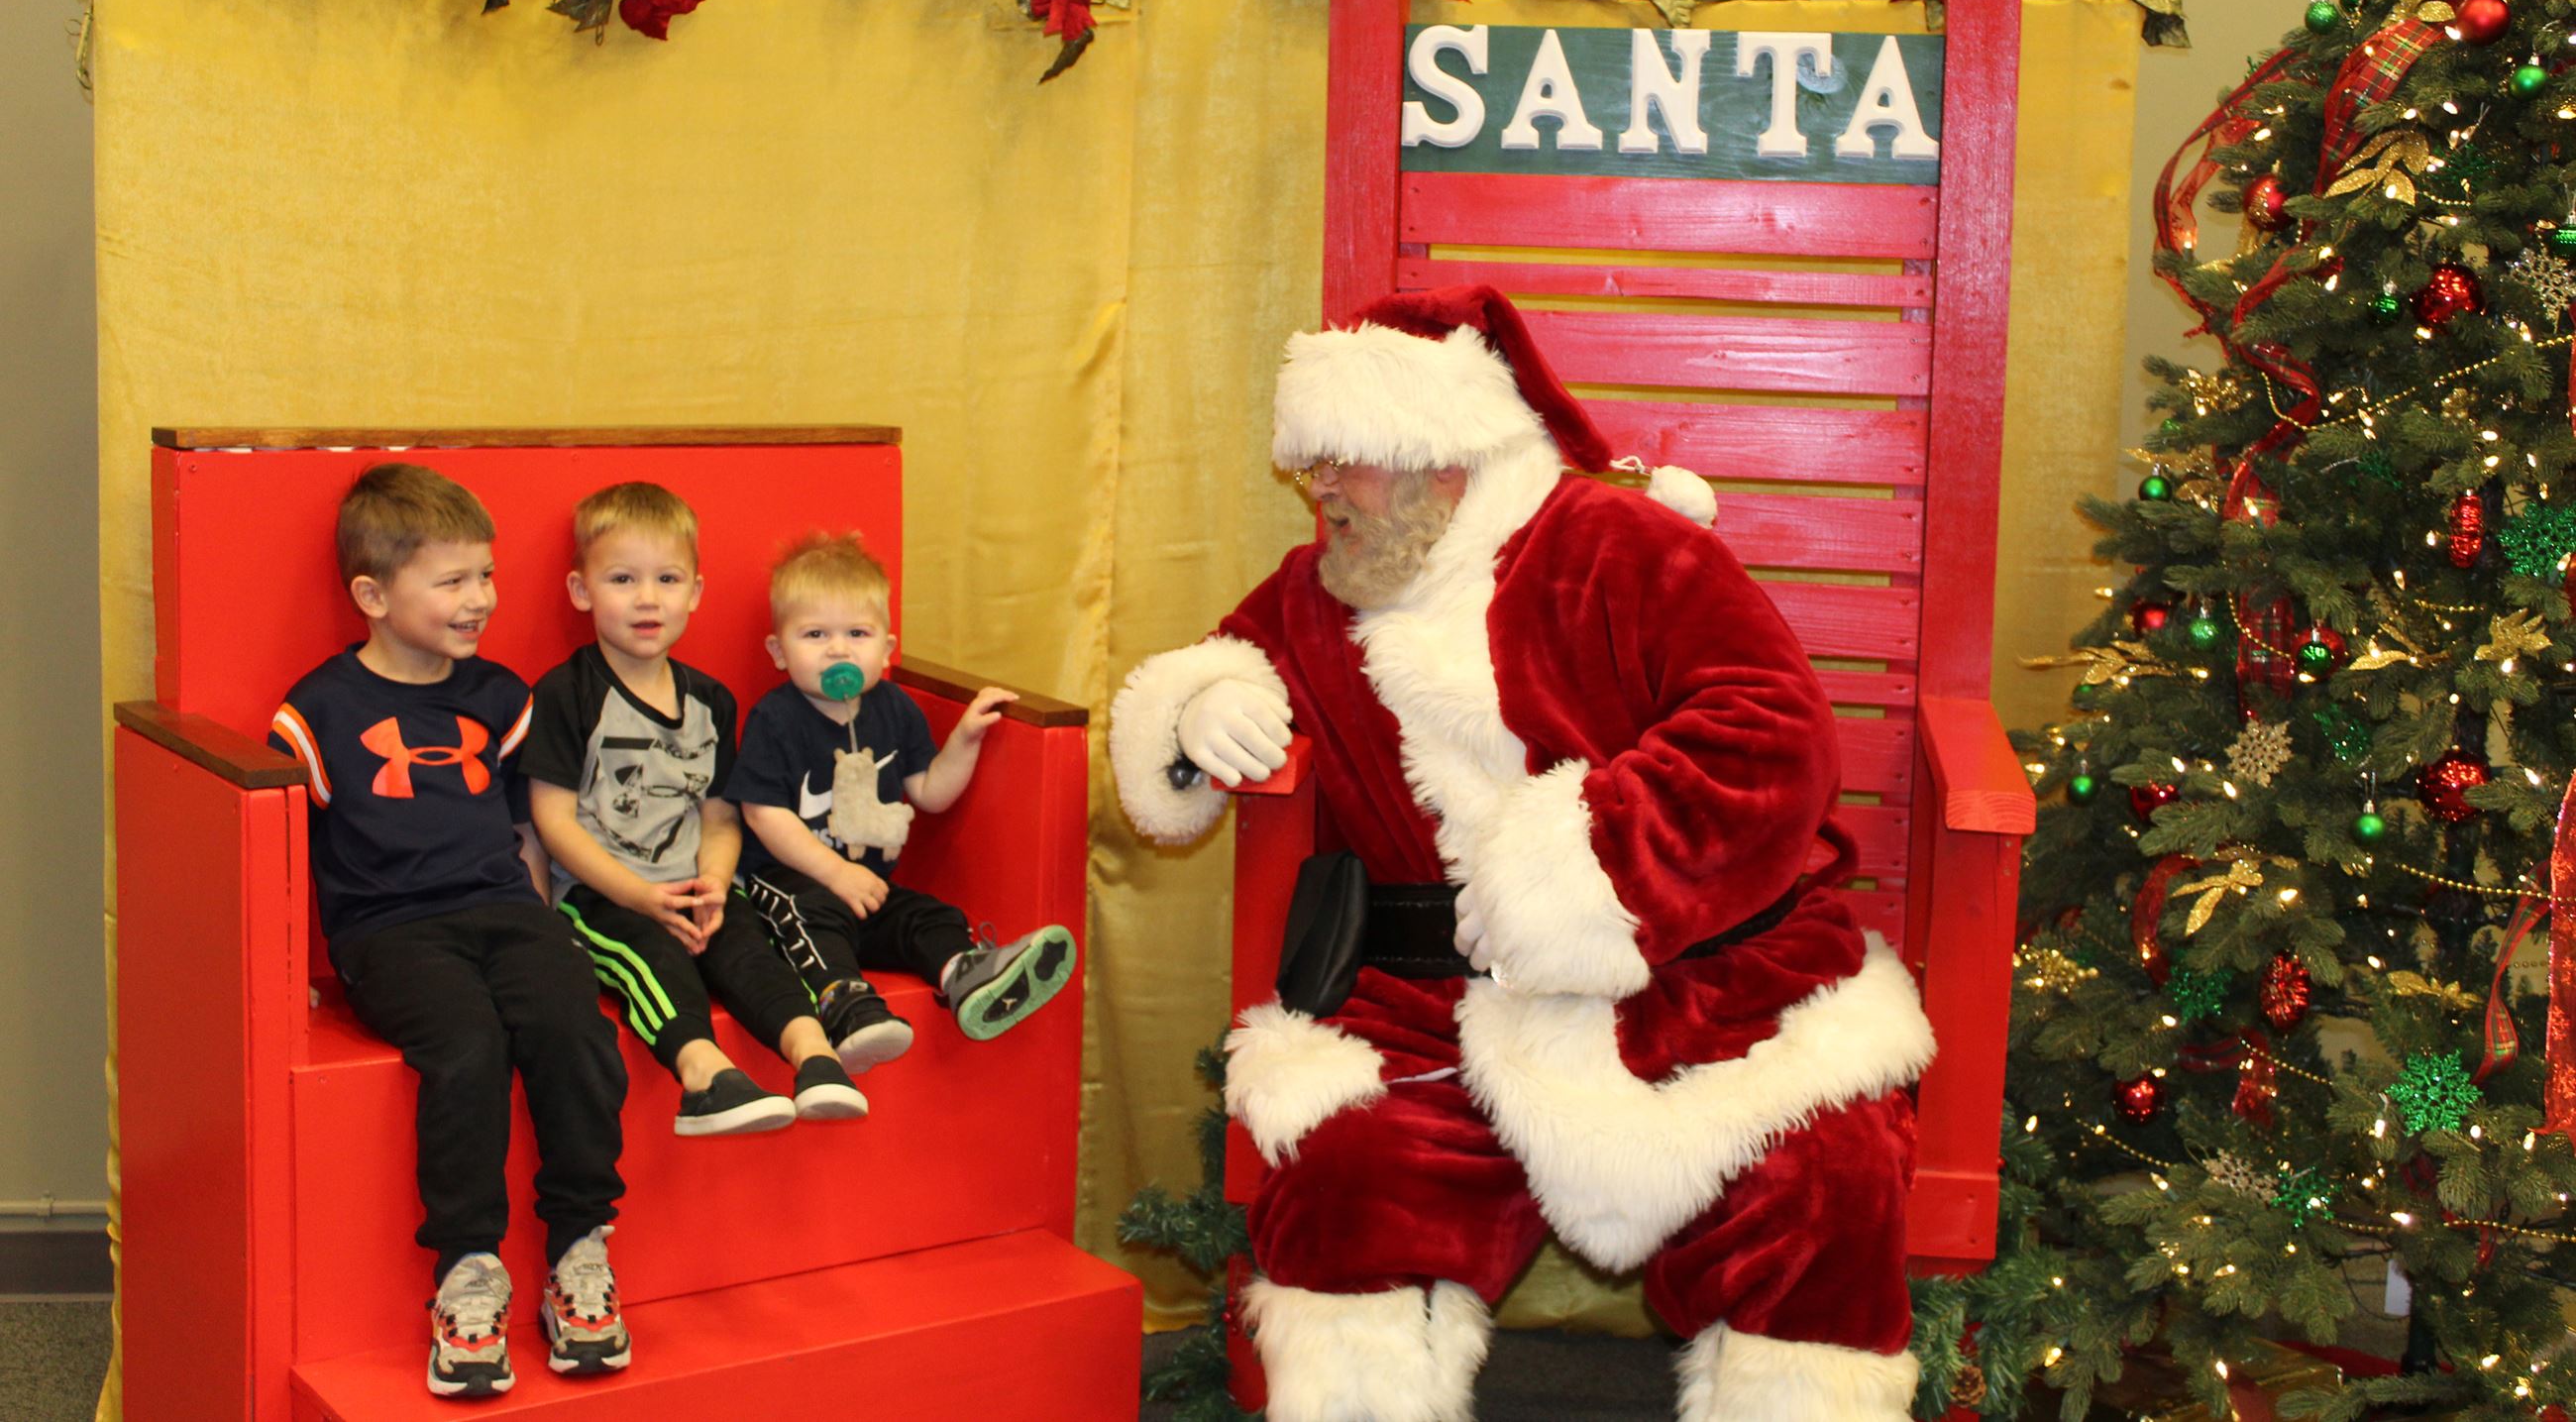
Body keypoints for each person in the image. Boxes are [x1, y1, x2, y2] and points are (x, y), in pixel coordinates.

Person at [1110, 286, 1934, 1422]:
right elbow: (1223, 658)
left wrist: (1583, 873)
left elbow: (1769, 728)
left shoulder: (1621, 547)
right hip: (1423, 1002)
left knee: (1820, 1179)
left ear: (1442, 457)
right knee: (1345, 1172)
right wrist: (1201, 704)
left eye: (1346, 461)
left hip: (1703, 986)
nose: (1321, 492)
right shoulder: (1319, 592)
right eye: (1312, 464)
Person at [267, 464, 630, 1399]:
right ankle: (469, 1271)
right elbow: (284, 851)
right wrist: (291, 969)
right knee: (466, 1048)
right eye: (453, 580)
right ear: (373, 595)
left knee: (572, 1025)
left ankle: (580, 1248)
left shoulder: (502, 697)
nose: (481, 599)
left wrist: (545, 926)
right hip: (389, 930)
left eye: (486, 575)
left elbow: (523, 831)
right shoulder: (316, 711)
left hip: (505, 910)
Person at [521, 483, 867, 1137]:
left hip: (693, 885)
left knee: (746, 945)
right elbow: (553, 821)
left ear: (695, 593)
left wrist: (712, 881)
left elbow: (719, 816)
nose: (648, 598)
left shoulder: (711, 701)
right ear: (581, 590)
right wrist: (640, 895)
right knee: (650, 955)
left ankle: (815, 1055)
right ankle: (705, 1074)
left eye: (667, 578)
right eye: (622, 578)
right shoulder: (567, 694)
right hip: (602, 896)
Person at [728, 531, 1077, 1074]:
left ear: (887, 651)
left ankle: (965, 973)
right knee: (811, 907)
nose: (838, 649)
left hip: (868, 891)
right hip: (788, 888)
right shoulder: (776, 719)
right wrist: (834, 872)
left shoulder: (894, 710)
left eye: (857, 634)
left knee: (926, 914)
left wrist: (964, 740)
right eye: (815, 634)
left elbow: (931, 794)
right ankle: (844, 1001)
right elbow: (761, 813)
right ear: (779, 651)